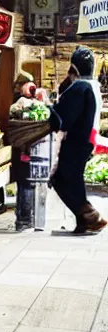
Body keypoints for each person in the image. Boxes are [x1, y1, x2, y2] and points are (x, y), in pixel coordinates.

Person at [49, 47, 107, 233]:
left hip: (76, 143)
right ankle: (84, 219)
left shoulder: (80, 88)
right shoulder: (93, 86)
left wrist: (48, 109)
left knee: (61, 180)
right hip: (85, 142)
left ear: (74, 66)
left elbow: (63, 118)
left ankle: (90, 215)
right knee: (73, 180)